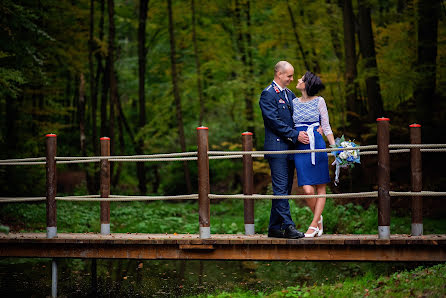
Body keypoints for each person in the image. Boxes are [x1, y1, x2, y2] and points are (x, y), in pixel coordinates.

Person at [259, 61, 307, 239]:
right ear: (279, 74)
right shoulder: (268, 94)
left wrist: (312, 127)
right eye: (289, 76)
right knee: (280, 189)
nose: (291, 79)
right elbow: (273, 121)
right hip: (277, 148)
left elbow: (296, 117)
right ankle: (288, 226)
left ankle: (273, 227)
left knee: (285, 190)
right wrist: (295, 134)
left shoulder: (289, 94)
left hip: (290, 149)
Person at [292, 71, 335, 237]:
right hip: (300, 146)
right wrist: (295, 135)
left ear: (306, 84)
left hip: (317, 144)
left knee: (320, 186)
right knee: (307, 189)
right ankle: (319, 220)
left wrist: (335, 148)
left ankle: (313, 224)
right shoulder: (294, 102)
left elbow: (327, 125)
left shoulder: (319, 101)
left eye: (301, 79)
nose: (297, 80)